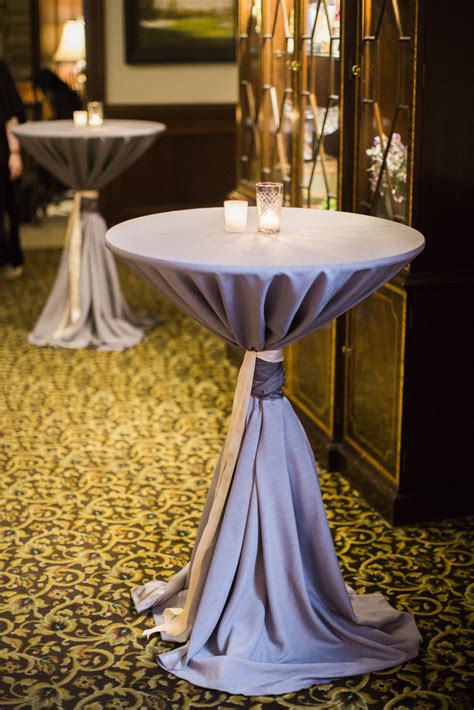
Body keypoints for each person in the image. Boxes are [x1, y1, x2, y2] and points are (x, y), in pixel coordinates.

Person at [0, 58, 25, 279]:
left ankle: (14, 258)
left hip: (2, 151)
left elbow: (11, 116)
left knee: (8, 205)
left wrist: (15, 153)